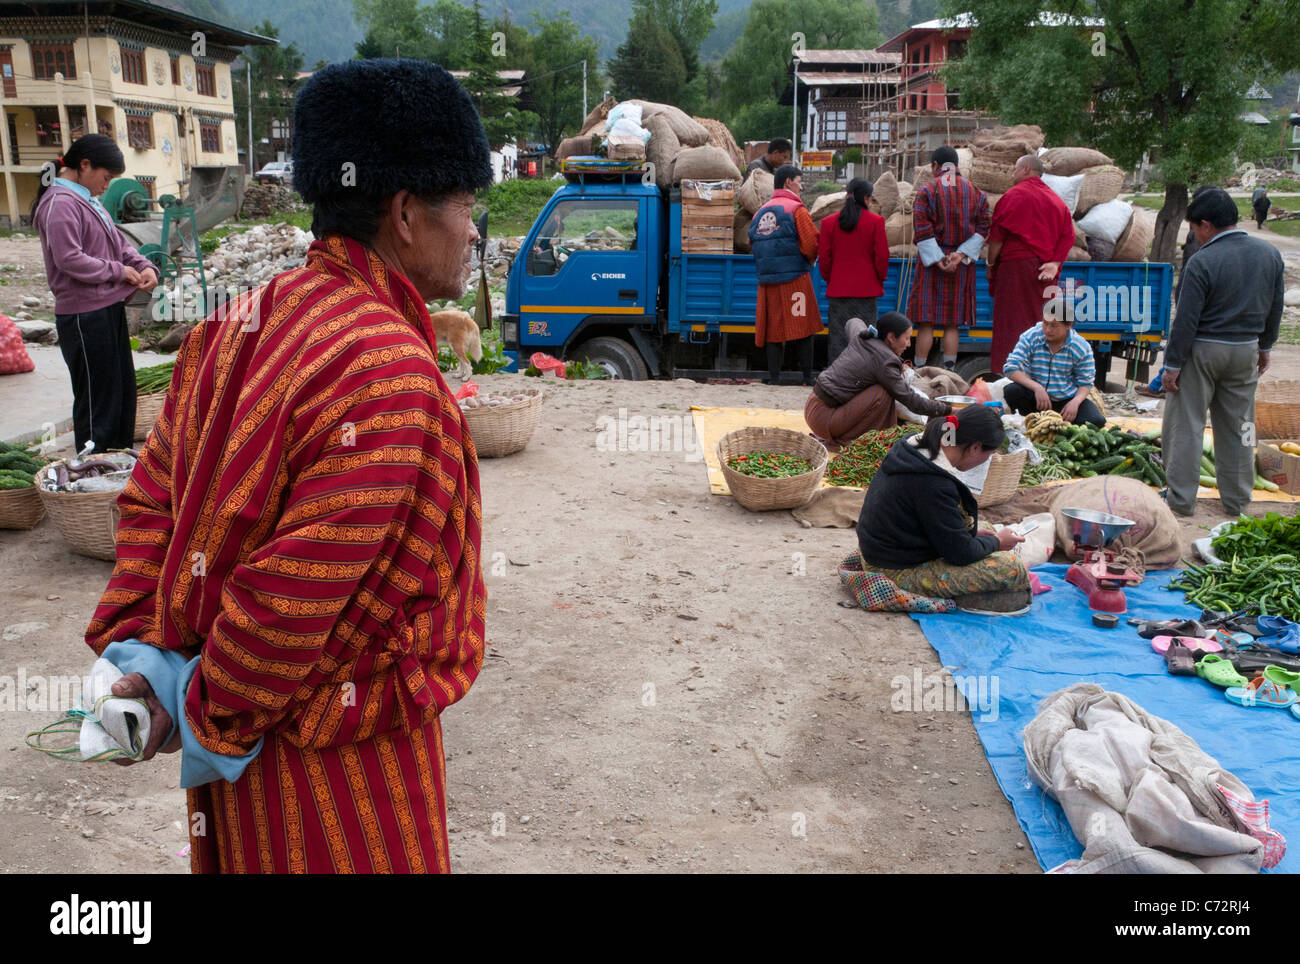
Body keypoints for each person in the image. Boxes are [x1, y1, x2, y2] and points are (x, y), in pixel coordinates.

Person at [81, 59, 492, 873]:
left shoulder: (237, 323)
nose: (475, 230)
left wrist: (151, 663)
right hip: (337, 781)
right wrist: (209, 710)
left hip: (234, 769)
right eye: (467, 205)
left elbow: (149, 499)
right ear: (405, 213)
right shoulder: (388, 374)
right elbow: (290, 596)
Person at [1162, 186, 1284, 518]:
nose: (1195, 236)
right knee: (1239, 427)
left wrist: (1172, 365)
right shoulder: (1269, 254)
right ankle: (1237, 501)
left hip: (1204, 351)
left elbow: (1185, 320)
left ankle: (1181, 500)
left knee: (1187, 424)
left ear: (1206, 224)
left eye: (1194, 228)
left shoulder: (1203, 261)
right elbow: (1275, 307)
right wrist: (1266, 347)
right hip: (1245, 350)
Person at [32, 134, 159, 453]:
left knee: (120, 393)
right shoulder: (59, 203)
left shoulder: (87, 199)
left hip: (107, 309)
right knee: (96, 401)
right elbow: (68, 258)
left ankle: (115, 467)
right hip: (83, 316)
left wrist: (144, 265)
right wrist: (118, 271)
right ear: (84, 165)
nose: (107, 185)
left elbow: (118, 244)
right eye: (106, 177)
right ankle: (92, 472)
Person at [855, 406, 1030, 615]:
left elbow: (931, 518)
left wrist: (972, 535)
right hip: (893, 569)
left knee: (984, 528)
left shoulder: (916, 445)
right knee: (1010, 566)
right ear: (975, 448)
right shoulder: (934, 483)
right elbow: (961, 553)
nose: (987, 460)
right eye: (989, 453)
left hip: (886, 547)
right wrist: (997, 543)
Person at [805, 311, 952, 447]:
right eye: (906, 338)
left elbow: (853, 321)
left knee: (882, 388)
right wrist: (948, 410)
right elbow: (911, 400)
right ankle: (850, 441)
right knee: (883, 392)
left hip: (813, 407)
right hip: (823, 418)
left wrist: (867, 332)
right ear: (891, 337)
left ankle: (851, 436)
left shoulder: (862, 338)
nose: (908, 344)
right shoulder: (886, 361)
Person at [986, 154, 1075, 374]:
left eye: (1015, 169)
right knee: (1045, 326)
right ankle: (1042, 376)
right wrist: (1055, 262)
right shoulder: (1056, 200)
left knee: (1010, 329)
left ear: (1025, 169)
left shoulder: (1012, 196)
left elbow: (996, 238)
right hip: (1044, 275)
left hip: (1014, 272)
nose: (1012, 174)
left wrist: (990, 263)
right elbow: (1068, 235)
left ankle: (1007, 377)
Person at [909, 146, 990, 371]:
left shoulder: (927, 190)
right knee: (952, 323)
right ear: (956, 166)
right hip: (961, 265)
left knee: (926, 322)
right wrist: (960, 255)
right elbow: (984, 227)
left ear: (936, 165)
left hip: (931, 265)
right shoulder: (976, 192)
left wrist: (938, 260)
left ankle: (920, 370)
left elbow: (922, 228)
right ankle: (950, 371)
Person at [749, 164, 823, 385]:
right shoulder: (796, 209)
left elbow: (751, 243)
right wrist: (809, 260)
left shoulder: (759, 212)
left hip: (767, 283)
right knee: (802, 328)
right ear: (789, 182)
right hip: (795, 282)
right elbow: (811, 243)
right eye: (799, 181)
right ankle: (807, 377)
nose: (801, 186)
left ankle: (774, 378)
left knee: (773, 330)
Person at [817, 178, 888, 364]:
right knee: (865, 339)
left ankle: (837, 379)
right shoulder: (876, 221)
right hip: (867, 291)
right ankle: (862, 378)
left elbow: (824, 260)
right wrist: (878, 280)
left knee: (839, 339)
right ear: (865, 198)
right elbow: (881, 258)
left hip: (839, 292)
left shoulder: (828, 223)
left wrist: (832, 280)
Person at [1001, 301, 1105, 427]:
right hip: (1036, 399)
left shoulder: (1080, 347)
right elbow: (1011, 368)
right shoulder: (1032, 336)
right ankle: (1031, 424)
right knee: (1012, 391)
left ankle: (1061, 424)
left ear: (1068, 325)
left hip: (1065, 401)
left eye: (1054, 325)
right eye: (1045, 323)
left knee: (1096, 421)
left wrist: (1075, 402)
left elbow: (1086, 383)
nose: (1048, 329)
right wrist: (1037, 387)